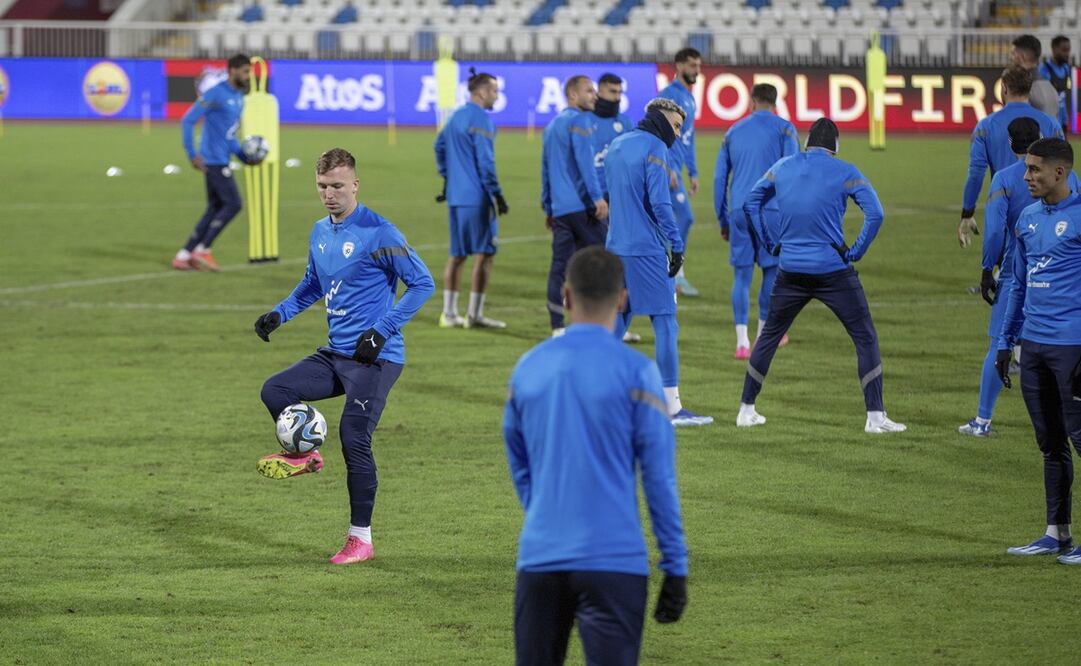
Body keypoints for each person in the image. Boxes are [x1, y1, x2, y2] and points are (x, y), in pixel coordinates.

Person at [503, 246, 688, 666]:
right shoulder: (639, 373)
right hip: (615, 560)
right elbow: (658, 478)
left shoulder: (529, 369)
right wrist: (675, 565)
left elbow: (519, 461)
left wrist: (543, 512)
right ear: (623, 299)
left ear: (566, 296)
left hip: (542, 556)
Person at [251, 148, 435, 565]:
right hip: (336, 354)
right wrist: (280, 313)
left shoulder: (379, 232)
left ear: (355, 184)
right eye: (322, 186)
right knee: (274, 390)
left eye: (337, 185)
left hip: (376, 358)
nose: (329, 194)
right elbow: (313, 284)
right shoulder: (320, 231)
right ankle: (305, 454)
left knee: (354, 437)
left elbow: (423, 283)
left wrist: (382, 330)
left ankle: (360, 539)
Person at [739, 118, 906, 434]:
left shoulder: (783, 166)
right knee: (864, 337)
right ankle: (875, 417)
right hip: (833, 271)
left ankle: (746, 410)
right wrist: (855, 251)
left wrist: (770, 242)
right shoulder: (845, 171)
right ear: (835, 147)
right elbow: (876, 213)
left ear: (806, 143)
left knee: (769, 336)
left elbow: (751, 201)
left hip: (790, 270)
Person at [960, 119, 1080, 437]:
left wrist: (987, 269)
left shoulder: (1004, 178)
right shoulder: (1068, 177)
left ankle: (982, 420)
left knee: (1000, 342)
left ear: (1010, 144)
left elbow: (995, 231)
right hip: (1063, 283)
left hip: (1019, 273)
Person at [994, 138, 1081, 565]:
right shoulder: (1027, 218)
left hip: (1073, 347)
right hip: (1034, 344)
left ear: (1059, 172)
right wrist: (1004, 342)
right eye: (1027, 168)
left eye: (1034, 169)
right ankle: (1056, 532)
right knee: (1050, 441)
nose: (1026, 176)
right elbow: (1018, 284)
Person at [607, 98, 713, 427]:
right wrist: (676, 245)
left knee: (617, 321)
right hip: (646, 249)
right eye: (677, 126)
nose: (678, 134)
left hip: (614, 246)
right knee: (666, 322)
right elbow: (660, 202)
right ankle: (672, 407)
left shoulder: (618, 144)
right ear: (663, 120)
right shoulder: (655, 147)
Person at [714, 83, 800, 359]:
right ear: (775, 103)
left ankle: (742, 342)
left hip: (739, 209)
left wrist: (723, 218)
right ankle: (764, 335)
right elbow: (793, 171)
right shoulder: (786, 129)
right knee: (771, 273)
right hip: (771, 210)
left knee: (741, 276)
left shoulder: (732, 132)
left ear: (751, 102)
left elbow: (719, 178)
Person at [172, 53, 262, 272]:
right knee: (233, 204)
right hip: (212, 160)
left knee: (215, 208)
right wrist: (192, 153)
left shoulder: (239, 98)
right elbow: (188, 120)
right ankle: (203, 249)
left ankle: (183, 256)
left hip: (222, 158)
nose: (248, 76)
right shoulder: (215, 93)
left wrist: (244, 157)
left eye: (249, 72)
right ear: (232, 71)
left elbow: (230, 135)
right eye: (245, 72)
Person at [434, 68, 508, 330]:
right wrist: (497, 194)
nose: (497, 95)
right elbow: (486, 162)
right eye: (495, 91)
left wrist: (448, 177)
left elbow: (439, 146)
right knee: (485, 254)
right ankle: (474, 315)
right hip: (477, 198)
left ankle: (449, 313)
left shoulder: (456, 116)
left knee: (457, 255)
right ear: (482, 92)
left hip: (456, 197)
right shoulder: (482, 120)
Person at [958, 66, 1063, 249]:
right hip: (1045, 219)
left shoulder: (986, 126)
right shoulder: (1051, 124)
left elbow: (976, 172)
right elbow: (1063, 171)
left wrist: (967, 212)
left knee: (1006, 265)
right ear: (1029, 89)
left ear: (1004, 88)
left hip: (1006, 217)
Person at [541, 75, 609, 337]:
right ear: (572, 95)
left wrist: (548, 207)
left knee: (559, 268)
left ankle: (558, 327)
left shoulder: (551, 127)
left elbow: (546, 170)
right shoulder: (580, 121)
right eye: (589, 91)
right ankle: (603, 324)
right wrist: (597, 197)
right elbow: (585, 165)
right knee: (601, 263)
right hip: (583, 208)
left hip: (560, 210)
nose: (595, 95)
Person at [591, 72, 641, 345]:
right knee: (594, 265)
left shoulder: (626, 123)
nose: (617, 97)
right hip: (592, 203)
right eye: (612, 92)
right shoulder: (587, 122)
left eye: (620, 93)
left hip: (619, 202)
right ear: (599, 91)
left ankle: (614, 324)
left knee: (617, 267)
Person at [658, 47, 702, 297]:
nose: (697, 70)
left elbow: (688, 137)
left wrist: (693, 171)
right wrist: (667, 166)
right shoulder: (669, 95)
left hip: (676, 169)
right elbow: (658, 132)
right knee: (683, 217)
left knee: (673, 219)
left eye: (698, 66)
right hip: (666, 170)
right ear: (679, 66)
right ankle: (672, 272)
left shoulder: (689, 97)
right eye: (692, 65)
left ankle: (673, 272)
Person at [1011, 34, 1060, 120]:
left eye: (1013, 54)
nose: (1011, 58)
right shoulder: (1051, 88)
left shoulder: (1023, 90)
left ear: (1022, 56)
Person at [1038, 35, 1072, 136]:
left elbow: (1063, 95)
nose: (1067, 54)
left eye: (1068, 50)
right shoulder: (1044, 69)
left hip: (1062, 119)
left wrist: (1065, 118)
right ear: (1054, 49)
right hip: (1049, 121)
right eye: (1064, 50)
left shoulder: (1066, 68)